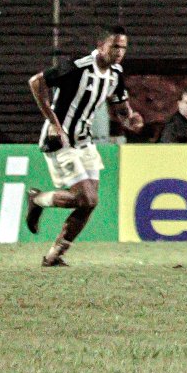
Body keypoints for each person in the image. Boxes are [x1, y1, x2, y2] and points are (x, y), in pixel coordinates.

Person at [25, 25, 144, 266]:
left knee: (90, 203)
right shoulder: (77, 67)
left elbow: (120, 107)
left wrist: (130, 119)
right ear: (101, 46)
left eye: (123, 48)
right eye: (115, 47)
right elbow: (36, 82)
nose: (120, 52)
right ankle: (37, 200)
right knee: (86, 199)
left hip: (84, 140)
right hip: (60, 140)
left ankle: (53, 257)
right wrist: (53, 123)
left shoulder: (115, 74)